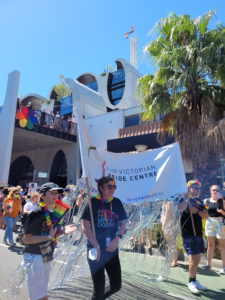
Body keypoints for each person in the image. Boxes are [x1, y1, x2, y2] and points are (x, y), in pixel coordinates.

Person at [23, 182, 77, 300]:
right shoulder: (37, 213)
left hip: (47, 255)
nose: (55, 195)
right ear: (42, 196)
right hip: (35, 256)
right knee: (41, 296)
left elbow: (51, 233)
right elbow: (26, 239)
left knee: (39, 293)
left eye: (56, 193)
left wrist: (61, 232)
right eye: (52, 193)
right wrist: (48, 237)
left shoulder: (55, 213)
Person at [82, 176, 127, 300]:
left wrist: (118, 238)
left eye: (114, 186)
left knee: (116, 286)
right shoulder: (92, 202)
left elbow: (123, 224)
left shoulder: (117, 202)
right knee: (98, 289)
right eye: (109, 186)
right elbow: (85, 226)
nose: (112, 189)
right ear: (101, 188)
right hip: (94, 249)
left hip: (111, 249)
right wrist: (96, 245)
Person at [178, 180, 209, 295]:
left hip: (198, 233)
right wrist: (186, 198)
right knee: (196, 258)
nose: (198, 190)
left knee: (194, 259)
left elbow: (206, 215)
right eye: (195, 187)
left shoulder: (199, 201)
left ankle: (194, 280)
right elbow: (181, 208)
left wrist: (197, 212)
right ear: (189, 188)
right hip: (188, 233)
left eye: (199, 188)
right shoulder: (183, 199)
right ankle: (191, 282)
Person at [201, 185, 225, 274]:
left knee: (223, 246)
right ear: (210, 191)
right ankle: (208, 264)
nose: (215, 191)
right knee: (210, 244)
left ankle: (224, 267)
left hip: (220, 222)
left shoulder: (221, 201)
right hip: (209, 222)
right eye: (214, 190)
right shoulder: (206, 201)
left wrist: (221, 212)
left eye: (217, 190)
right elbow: (204, 212)